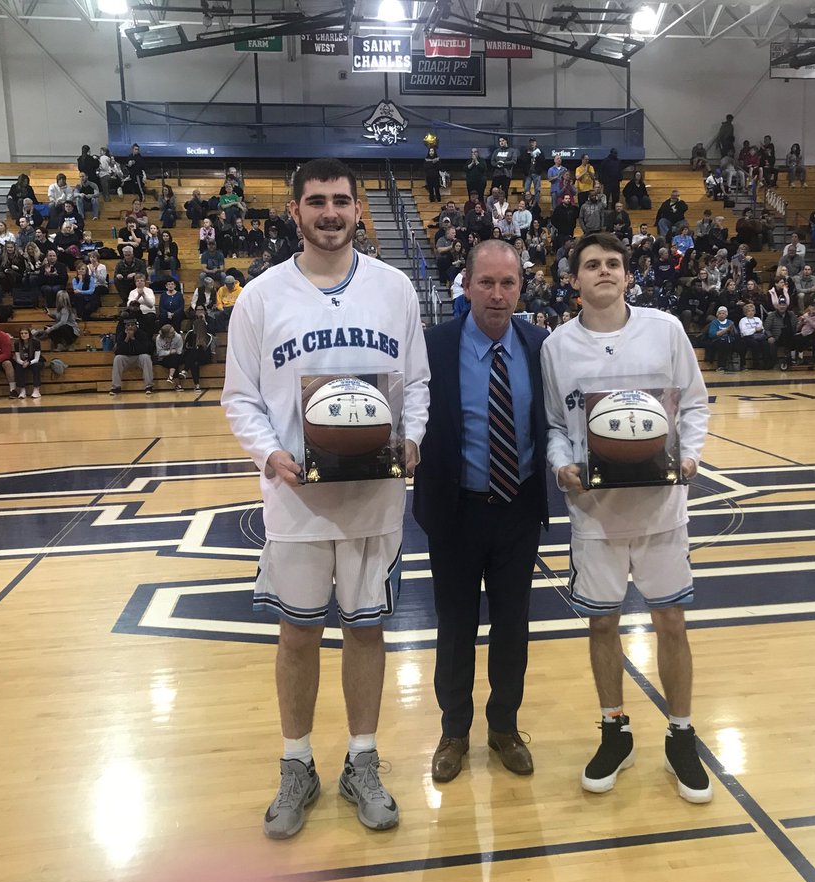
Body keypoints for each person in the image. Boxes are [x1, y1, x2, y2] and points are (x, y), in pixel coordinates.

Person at [221, 158, 430, 841]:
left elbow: (416, 382)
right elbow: (240, 397)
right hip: (296, 502)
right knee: (298, 633)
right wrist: (268, 453)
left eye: (342, 200)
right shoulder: (260, 297)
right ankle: (297, 764)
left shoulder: (394, 288)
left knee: (366, 629)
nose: (331, 213)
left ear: (359, 208)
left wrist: (413, 437)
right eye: (317, 202)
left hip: (373, 498)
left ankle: (362, 761)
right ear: (295, 211)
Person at [541, 231, 712, 802]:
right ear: (575, 280)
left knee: (672, 622)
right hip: (595, 513)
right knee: (602, 624)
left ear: (628, 275)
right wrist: (561, 464)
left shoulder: (665, 330)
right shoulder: (556, 346)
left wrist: (691, 455)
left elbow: (694, 403)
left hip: (662, 509)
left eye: (613, 263)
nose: (604, 271)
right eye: (592, 264)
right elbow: (554, 425)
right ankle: (615, 729)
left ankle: (681, 734)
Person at [413, 240, 551, 784]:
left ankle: (504, 727)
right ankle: (453, 732)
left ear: (521, 288)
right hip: (455, 512)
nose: (497, 294)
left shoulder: (540, 346)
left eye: (507, 283)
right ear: (466, 286)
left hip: (517, 510)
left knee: (513, 626)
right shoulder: (432, 347)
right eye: (486, 282)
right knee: (455, 627)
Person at [109, 318, 155, 395]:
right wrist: (127, 338)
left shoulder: (142, 334)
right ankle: (116, 387)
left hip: (139, 357)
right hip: (126, 358)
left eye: (132, 325)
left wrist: (133, 338)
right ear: (125, 327)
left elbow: (144, 349)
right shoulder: (121, 335)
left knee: (146, 357)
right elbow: (118, 351)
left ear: (136, 326)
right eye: (128, 325)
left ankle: (149, 386)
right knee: (117, 358)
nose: (130, 327)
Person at [182, 305, 216, 391]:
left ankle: (185, 370)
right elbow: (188, 339)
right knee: (194, 362)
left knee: (194, 355)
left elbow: (212, 333)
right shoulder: (192, 322)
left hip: (204, 353)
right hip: (193, 352)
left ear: (205, 311)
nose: (200, 311)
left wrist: (204, 322)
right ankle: (197, 385)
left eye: (201, 309)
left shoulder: (210, 320)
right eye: (198, 310)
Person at [12, 327, 43, 398]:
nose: (23, 335)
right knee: (18, 367)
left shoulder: (36, 342)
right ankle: (22, 390)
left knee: (36, 366)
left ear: (29, 334)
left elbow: (37, 358)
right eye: (21, 333)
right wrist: (23, 363)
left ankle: (36, 390)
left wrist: (29, 363)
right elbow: (18, 358)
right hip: (23, 361)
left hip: (35, 361)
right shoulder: (17, 343)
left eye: (26, 333)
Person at [155, 323, 186, 389]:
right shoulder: (159, 338)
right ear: (166, 334)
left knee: (174, 359)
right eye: (171, 332)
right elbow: (159, 353)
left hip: (177, 356)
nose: (174, 333)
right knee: (174, 361)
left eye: (174, 331)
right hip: (164, 358)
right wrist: (169, 352)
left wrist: (174, 352)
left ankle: (171, 376)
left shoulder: (178, 337)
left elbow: (179, 351)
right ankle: (176, 383)